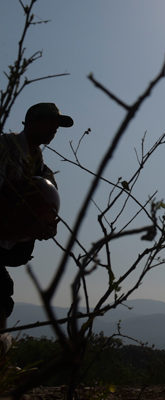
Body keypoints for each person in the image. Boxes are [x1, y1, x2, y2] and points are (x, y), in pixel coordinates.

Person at [0, 102, 73, 354]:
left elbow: (45, 210)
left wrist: (42, 227)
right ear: (32, 122)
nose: (55, 130)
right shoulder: (5, 147)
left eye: (57, 126)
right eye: (50, 123)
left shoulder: (40, 166)